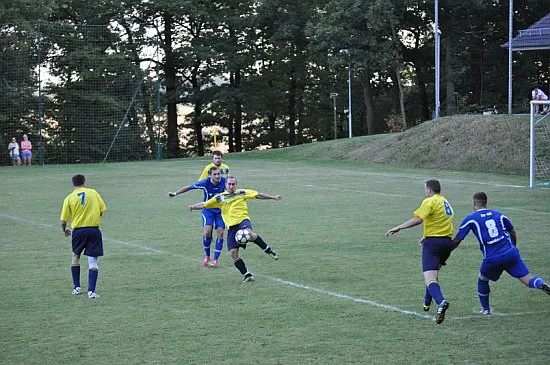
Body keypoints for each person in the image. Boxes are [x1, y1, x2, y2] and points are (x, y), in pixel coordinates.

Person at [452, 192, 550, 316]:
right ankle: (542, 284)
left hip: (492, 258)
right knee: (528, 280)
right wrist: (513, 247)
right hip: (511, 253)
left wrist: (445, 251)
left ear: (474, 203)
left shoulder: (471, 218)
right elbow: (512, 232)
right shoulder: (499, 214)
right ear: (486, 202)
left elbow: (457, 240)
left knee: (483, 280)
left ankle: (486, 309)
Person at [385, 179, 455, 324]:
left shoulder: (429, 201)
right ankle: (427, 302)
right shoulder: (445, 202)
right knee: (433, 275)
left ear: (429, 190)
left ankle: (441, 302)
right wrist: (426, 235)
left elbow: (418, 220)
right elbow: (440, 221)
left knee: (429, 278)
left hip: (434, 244)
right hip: (447, 242)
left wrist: (399, 227)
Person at [189, 176, 281, 282]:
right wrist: (193, 206)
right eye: (229, 184)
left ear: (236, 185)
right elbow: (205, 204)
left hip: (243, 221)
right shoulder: (220, 198)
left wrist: (273, 197)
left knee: (248, 233)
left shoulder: (242, 193)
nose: (231, 186)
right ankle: (247, 275)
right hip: (231, 227)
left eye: (233, 184)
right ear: (226, 185)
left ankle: (268, 250)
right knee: (233, 252)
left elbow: (258, 195)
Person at [169, 166, 227, 267]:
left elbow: (233, 191)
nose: (217, 176)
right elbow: (189, 187)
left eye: (219, 174)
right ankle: (207, 256)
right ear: (210, 175)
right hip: (208, 210)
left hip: (221, 211)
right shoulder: (205, 183)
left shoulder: (225, 182)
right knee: (207, 232)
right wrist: (175, 193)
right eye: (215, 174)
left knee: (221, 233)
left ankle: (215, 259)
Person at [60, 174, 107, 299]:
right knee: (92, 260)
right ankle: (91, 291)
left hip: (78, 231)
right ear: (84, 182)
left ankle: (77, 288)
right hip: (93, 230)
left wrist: (65, 230)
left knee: (75, 256)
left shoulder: (69, 198)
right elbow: (102, 210)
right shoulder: (93, 192)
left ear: (73, 184)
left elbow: (63, 221)